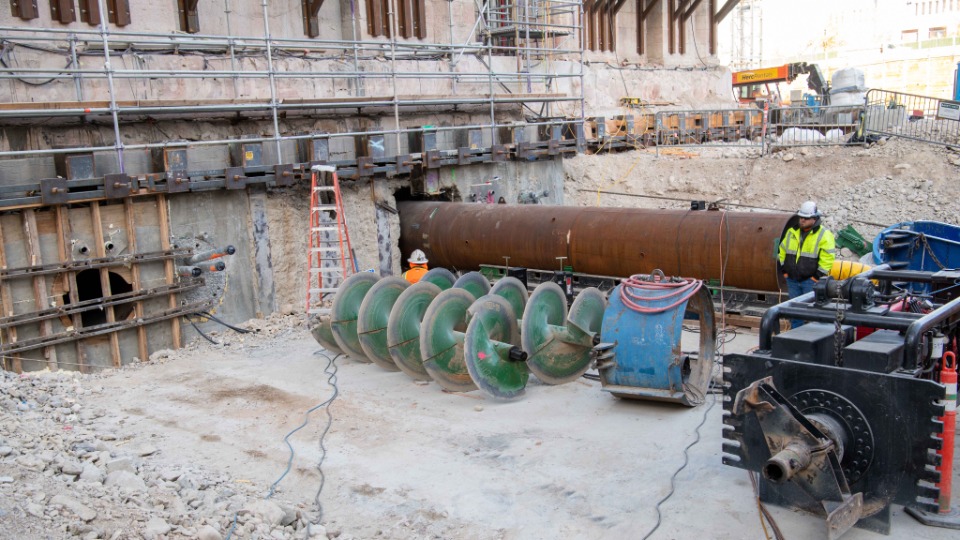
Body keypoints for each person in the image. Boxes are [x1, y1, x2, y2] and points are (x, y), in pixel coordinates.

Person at [778, 201, 836, 328]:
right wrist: (785, 271)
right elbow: (782, 251)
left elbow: (828, 258)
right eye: (801, 217)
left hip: (810, 281)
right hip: (792, 280)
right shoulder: (792, 232)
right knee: (794, 311)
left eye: (806, 218)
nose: (802, 220)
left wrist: (816, 277)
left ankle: (812, 337)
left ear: (814, 219)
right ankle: (796, 335)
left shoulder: (824, 235)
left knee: (813, 311)